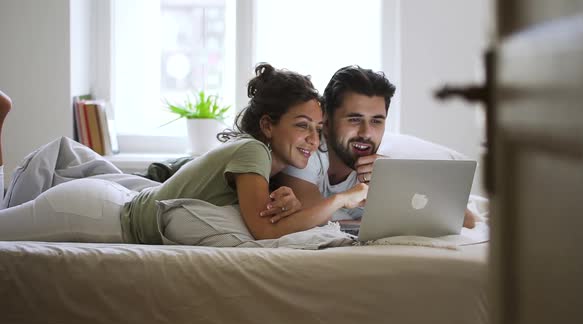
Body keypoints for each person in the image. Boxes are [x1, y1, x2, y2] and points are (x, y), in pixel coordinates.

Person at [0, 64, 368, 244]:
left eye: (317, 130)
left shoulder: (263, 162)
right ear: (269, 125)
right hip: (97, 214)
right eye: (302, 125)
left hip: (111, 204)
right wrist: (343, 199)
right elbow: (263, 230)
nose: (311, 138)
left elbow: (262, 215)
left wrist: (285, 199)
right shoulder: (254, 152)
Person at [272, 65, 476, 229]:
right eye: (354, 119)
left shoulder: (382, 166)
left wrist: (399, 178)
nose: (366, 133)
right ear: (327, 121)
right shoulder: (306, 153)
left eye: (377, 121)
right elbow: (312, 221)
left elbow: (467, 220)